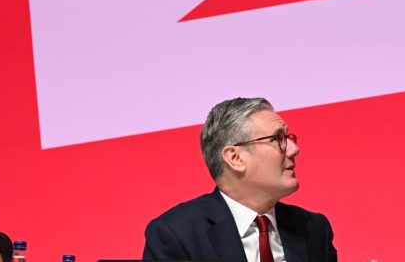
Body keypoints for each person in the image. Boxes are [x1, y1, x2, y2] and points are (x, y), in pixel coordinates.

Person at [142, 97, 337, 261]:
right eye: (277, 139)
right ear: (235, 158)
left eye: (289, 138)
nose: (294, 149)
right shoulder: (177, 235)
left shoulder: (313, 229)